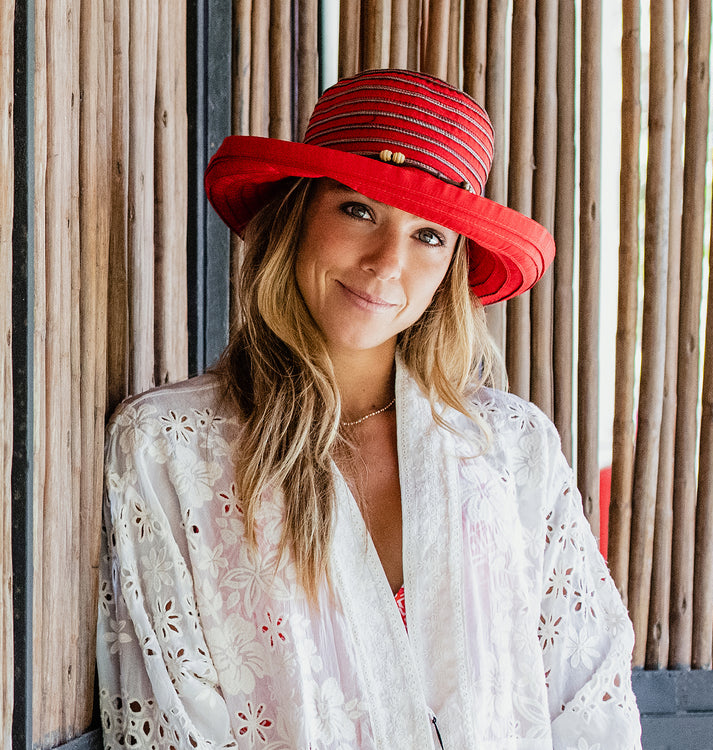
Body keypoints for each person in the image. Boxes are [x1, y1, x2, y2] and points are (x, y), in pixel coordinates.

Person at [97, 69, 642, 749]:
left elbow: (589, 700)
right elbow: (173, 725)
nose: (388, 263)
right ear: (299, 214)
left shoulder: (511, 450)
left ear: (453, 266)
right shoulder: (171, 449)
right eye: (358, 209)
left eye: (430, 236)